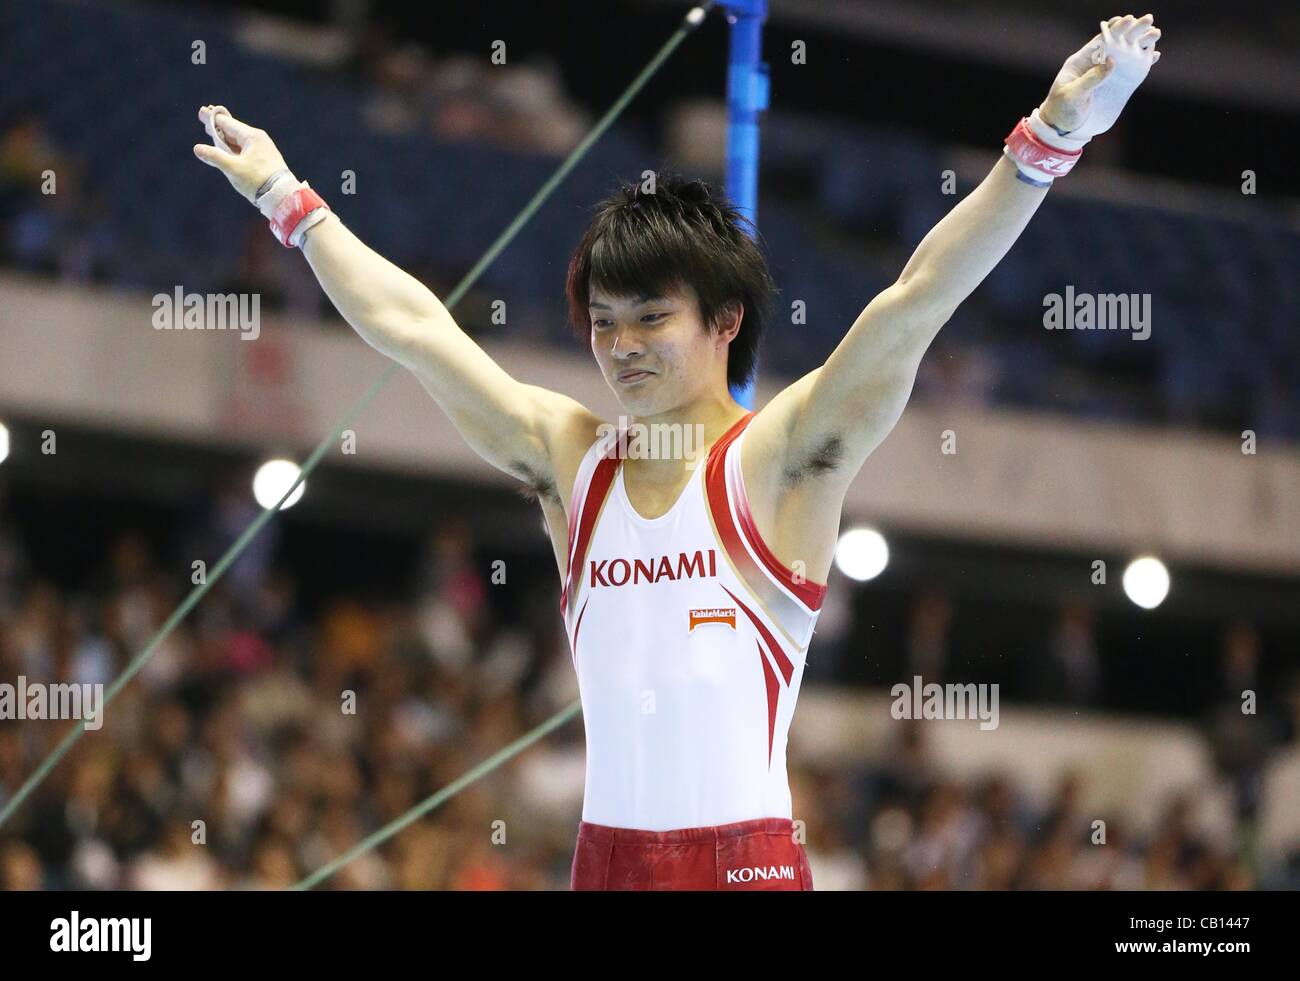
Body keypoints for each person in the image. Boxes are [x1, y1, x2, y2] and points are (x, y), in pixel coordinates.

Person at [192, 14, 1162, 890]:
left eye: (650, 318)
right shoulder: (568, 461)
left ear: (724, 321)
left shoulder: (779, 460)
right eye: (603, 323)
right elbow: (417, 331)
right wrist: (289, 198)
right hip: (604, 865)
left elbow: (914, 303)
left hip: (739, 866)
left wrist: (1048, 140)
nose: (620, 347)